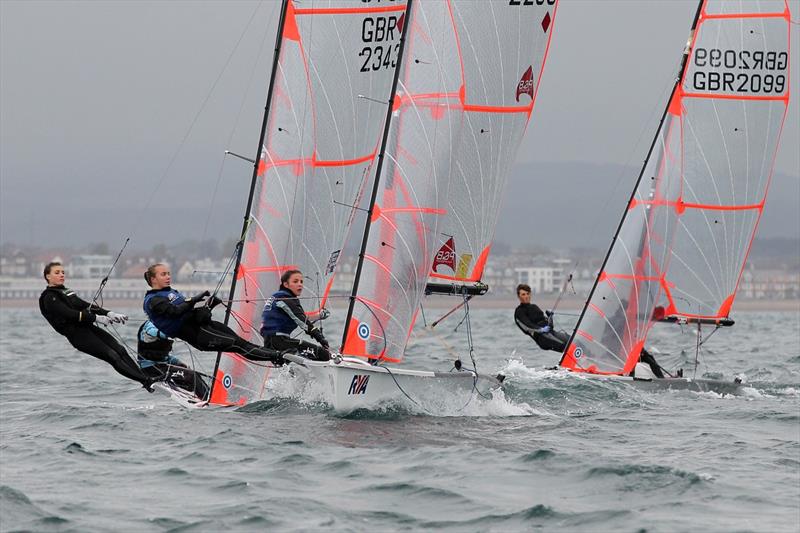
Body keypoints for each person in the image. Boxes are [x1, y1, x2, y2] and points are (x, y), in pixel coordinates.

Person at [39, 261, 157, 392]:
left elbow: (84, 305)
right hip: (78, 336)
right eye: (57, 273)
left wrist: (109, 313)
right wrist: (97, 318)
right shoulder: (49, 297)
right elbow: (69, 314)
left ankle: (145, 377)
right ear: (47, 276)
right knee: (112, 356)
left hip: (88, 328)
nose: (61, 275)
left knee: (120, 349)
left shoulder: (65, 292)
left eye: (63, 272)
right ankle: (146, 381)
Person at [142, 263, 279, 363]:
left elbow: (191, 314)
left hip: (205, 327)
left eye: (168, 273)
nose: (168, 277)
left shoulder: (169, 292)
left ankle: (278, 356)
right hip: (198, 336)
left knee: (243, 343)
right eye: (163, 274)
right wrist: (193, 300)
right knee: (239, 346)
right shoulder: (153, 300)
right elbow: (175, 312)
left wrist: (209, 305)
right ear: (153, 279)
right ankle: (279, 356)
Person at [261, 270, 331, 362]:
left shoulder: (278, 297)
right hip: (279, 342)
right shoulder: (286, 299)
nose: (300, 284)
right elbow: (302, 321)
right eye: (295, 281)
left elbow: (296, 316)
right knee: (323, 354)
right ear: (286, 284)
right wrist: (320, 338)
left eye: (301, 282)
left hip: (270, 343)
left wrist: (318, 316)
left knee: (293, 368)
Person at [137, 320, 210, 400]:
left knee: (195, 375)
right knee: (192, 376)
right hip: (151, 369)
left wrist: (178, 363)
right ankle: (208, 399)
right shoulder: (149, 327)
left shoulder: (163, 326)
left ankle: (207, 396)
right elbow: (155, 332)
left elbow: (163, 356)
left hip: (161, 367)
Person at [514, 283, 571, 352]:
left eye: (528, 293)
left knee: (573, 340)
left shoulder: (534, 307)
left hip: (551, 333)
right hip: (542, 337)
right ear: (518, 296)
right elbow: (527, 326)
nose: (526, 296)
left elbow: (550, 326)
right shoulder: (519, 312)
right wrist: (540, 329)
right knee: (566, 347)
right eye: (523, 294)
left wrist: (550, 318)